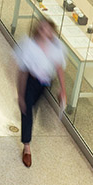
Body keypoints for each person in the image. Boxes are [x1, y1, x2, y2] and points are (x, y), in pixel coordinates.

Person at [15, 18, 67, 167]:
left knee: (35, 108)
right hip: (30, 81)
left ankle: (37, 115)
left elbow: (58, 68)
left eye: (48, 30)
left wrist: (63, 90)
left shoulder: (56, 47)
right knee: (27, 111)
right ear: (38, 30)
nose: (45, 33)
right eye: (43, 29)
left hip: (45, 83)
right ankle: (27, 147)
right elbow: (22, 72)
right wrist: (20, 95)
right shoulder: (29, 45)